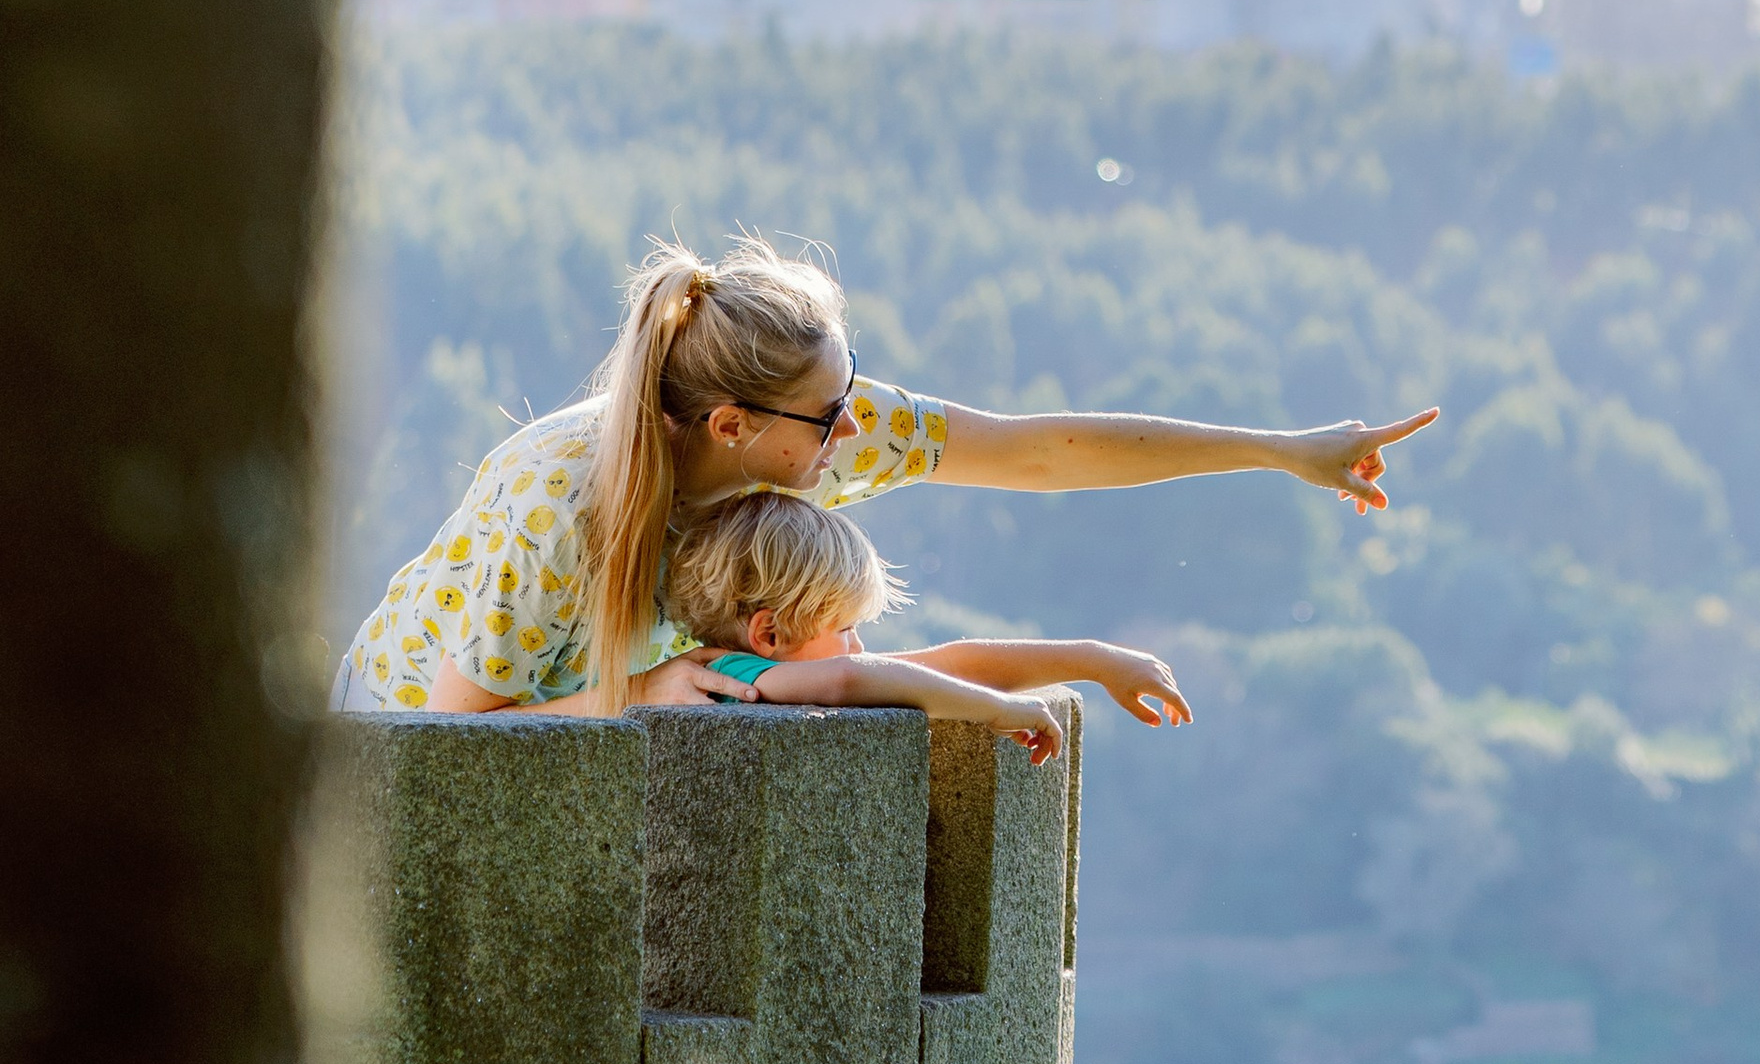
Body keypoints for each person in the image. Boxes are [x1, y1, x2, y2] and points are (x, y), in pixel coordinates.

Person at [338, 233, 1433, 714]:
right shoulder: (562, 505)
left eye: (850, 381)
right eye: (829, 410)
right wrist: (641, 698)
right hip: (409, 756)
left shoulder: (812, 428)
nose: (854, 422)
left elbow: (1036, 449)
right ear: (729, 424)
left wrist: (1281, 451)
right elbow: (454, 736)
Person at [658, 488, 1193, 762]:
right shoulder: (733, 677)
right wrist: (996, 710)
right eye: (845, 628)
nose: (858, 646)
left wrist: (1096, 661)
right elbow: (852, 678)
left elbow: (947, 666)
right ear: (770, 635)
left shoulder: (764, 675)